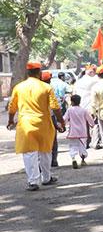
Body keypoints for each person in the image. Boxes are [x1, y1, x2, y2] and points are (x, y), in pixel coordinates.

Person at [7, 62, 65, 191]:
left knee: (29, 153)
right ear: (39, 72)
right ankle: (46, 178)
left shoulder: (19, 87)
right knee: (45, 151)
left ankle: (33, 181)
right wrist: (62, 121)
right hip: (43, 123)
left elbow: (12, 107)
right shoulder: (46, 87)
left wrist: (11, 121)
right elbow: (55, 107)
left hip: (26, 125)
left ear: (27, 73)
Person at [63, 94, 95, 169]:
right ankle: (83, 160)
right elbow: (90, 119)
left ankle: (73, 159)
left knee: (73, 146)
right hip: (82, 132)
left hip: (73, 132)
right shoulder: (83, 110)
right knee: (82, 146)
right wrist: (92, 124)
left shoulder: (69, 110)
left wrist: (61, 125)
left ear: (72, 102)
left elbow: (65, 119)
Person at [41, 71, 61, 167]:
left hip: (38, 117)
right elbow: (55, 107)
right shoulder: (49, 89)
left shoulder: (35, 88)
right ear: (49, 80)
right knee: (53, 139)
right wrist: (60, 121)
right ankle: (53, 160)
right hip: (50, 117)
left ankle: (41, 162)